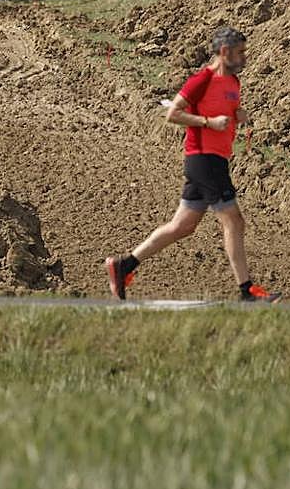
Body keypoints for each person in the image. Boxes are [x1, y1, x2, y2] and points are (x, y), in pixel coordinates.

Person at [105, 26, 280, 302]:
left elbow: (227, 111)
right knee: (234, 221)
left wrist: (237, 114)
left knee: (182, 226)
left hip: (216, 159)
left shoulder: (234, 83)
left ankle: (123, 265)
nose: (245, 57)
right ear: (224, 52)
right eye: (240, 52)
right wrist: (208, 122)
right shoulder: (201, 80)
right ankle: (246, 291)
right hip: (203, 159)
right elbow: (173, 114)